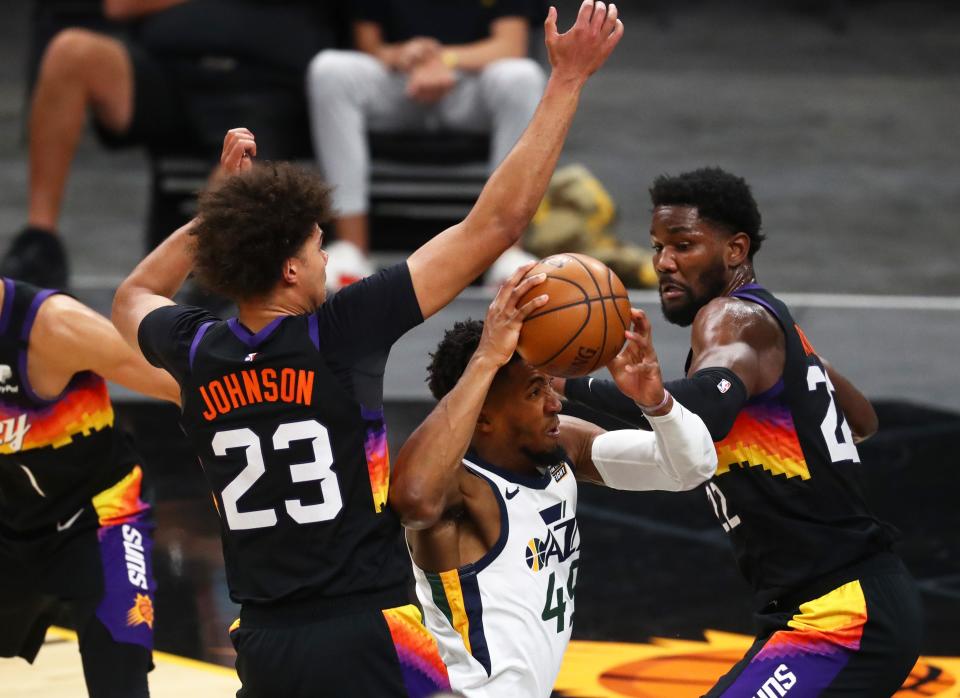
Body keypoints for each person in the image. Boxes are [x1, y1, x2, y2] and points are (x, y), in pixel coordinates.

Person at [111, 3, 624, 695]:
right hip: (368, 626)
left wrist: (212, 217)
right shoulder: (338, 334)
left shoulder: (197, 348)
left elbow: (132, 297)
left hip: (263, 635)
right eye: (318, 248)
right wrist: (565, 80)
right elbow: (496, 223)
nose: (328, 262)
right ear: (290, 270)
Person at [557, 167, 923, 696]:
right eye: (658, 246)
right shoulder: (774, 322)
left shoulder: (727, 317)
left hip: (842, 615)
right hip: (834, 602)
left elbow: (705, 408)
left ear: (735, 250)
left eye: (684, 245)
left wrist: (568, 386)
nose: (663, 263)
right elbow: (862, 419)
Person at [388, 265, 717, 697]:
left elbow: (691, 468)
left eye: (548, 385)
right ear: (482, 415)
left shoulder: (564, 449)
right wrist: (487, 357)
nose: (553, 402)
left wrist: (656, 403)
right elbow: (412, 499)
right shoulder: (462, 490)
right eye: (534, 392)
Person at [1, 0, 333, 289]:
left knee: (238, 177)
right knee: (71, 51)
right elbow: (121, 5)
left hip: (265, 88)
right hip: (170, 73)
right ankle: (39, 241)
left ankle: (210, 284)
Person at [0, 278, 180, 697]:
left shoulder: (54, 326)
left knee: (118, 674)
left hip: (101, 514)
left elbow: (183, 387)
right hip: (11, 516)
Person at [307, 0, 546, 289]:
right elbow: (369, 45)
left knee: (522, 76)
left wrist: (442, 60)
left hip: (472, 85)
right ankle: (352, 247)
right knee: (330, 70)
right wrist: (402, 55)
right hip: (400, 83)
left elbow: (510, 45)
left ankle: (508, 252)